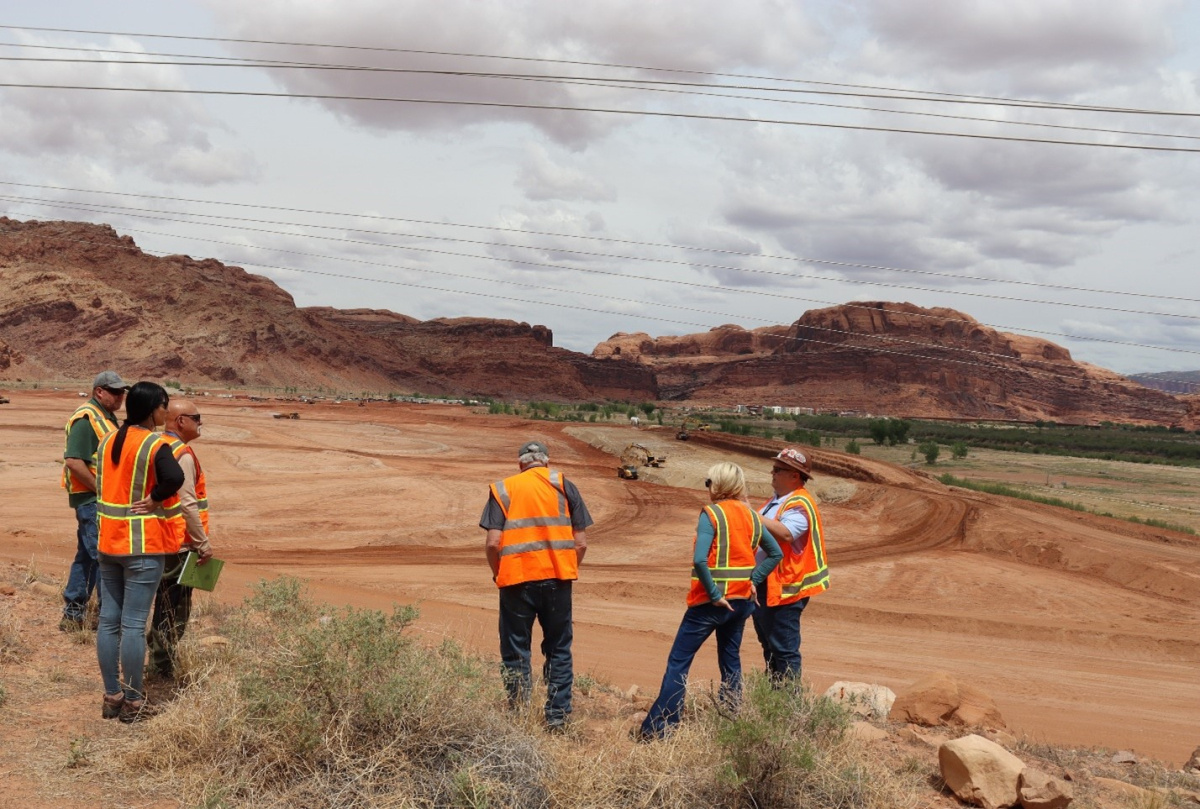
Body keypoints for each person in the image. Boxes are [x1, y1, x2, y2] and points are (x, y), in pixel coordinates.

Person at [639, 462, 782, 739]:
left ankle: (661, 728)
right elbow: (775, 554)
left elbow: (699, 559)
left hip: (709, 604)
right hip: (741, 603)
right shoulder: (752, 517)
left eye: (709, 482)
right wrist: (753, 580)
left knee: (679, 661)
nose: (708, 487)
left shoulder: (712, 514)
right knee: (730, 660)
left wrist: (715, 595)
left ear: (719, 485)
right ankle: (730, 720)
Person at [480, 440, 592, 730]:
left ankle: (518, 716)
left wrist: (498, 574)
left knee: (516, 650)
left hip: (516, 580)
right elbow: (581, 544)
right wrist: (565, 568)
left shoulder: (503, 489)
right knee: (558, 649)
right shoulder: (565, 485)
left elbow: (493, 543)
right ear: (547, 462)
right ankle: (557, 717)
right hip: (558, 579)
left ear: (520, 465)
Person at [95, 381, 185, 723]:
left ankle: (111, 696)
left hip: (108, 544)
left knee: (109, 622)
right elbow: (174, 477)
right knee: (133, 625)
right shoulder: (153, 442)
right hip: (142, 547)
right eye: (164, 407)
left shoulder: (107, 442)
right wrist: (155, 498)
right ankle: (133, 701)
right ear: (152, 409)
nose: (166, 413)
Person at [752, 447, 830, 683]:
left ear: (795, 475)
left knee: (784, 648)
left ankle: (788, 706)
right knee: (769, 645)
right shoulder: (775, 502)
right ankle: (773, 696)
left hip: (787, 588)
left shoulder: (800, 504)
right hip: (766, 584)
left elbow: (786, 534)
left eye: (778, 469)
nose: (772, 473)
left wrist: (749, 515)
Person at [147, 399, 213, 679]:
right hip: (181, 544)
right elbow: (188, 504)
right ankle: (161, 666)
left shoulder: (155, 446)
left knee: (162, 603)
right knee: (175, 609)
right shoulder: (182, 454)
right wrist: (202, 543)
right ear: (181, 421)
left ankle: (158, 659)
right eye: (197, 417)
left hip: (160, 539)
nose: (201, 423)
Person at [60, 370, 129, 631]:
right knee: (103, 559)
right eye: (115, 391)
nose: (120, 396)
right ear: (99, 391)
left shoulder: (106, 417)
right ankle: (106, 619)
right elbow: (74, 461)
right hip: (91, 500)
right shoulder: (87, 418)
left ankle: (73, 614)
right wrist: (100, 490)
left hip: (96, 499)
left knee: (87, 557)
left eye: (122, 391)